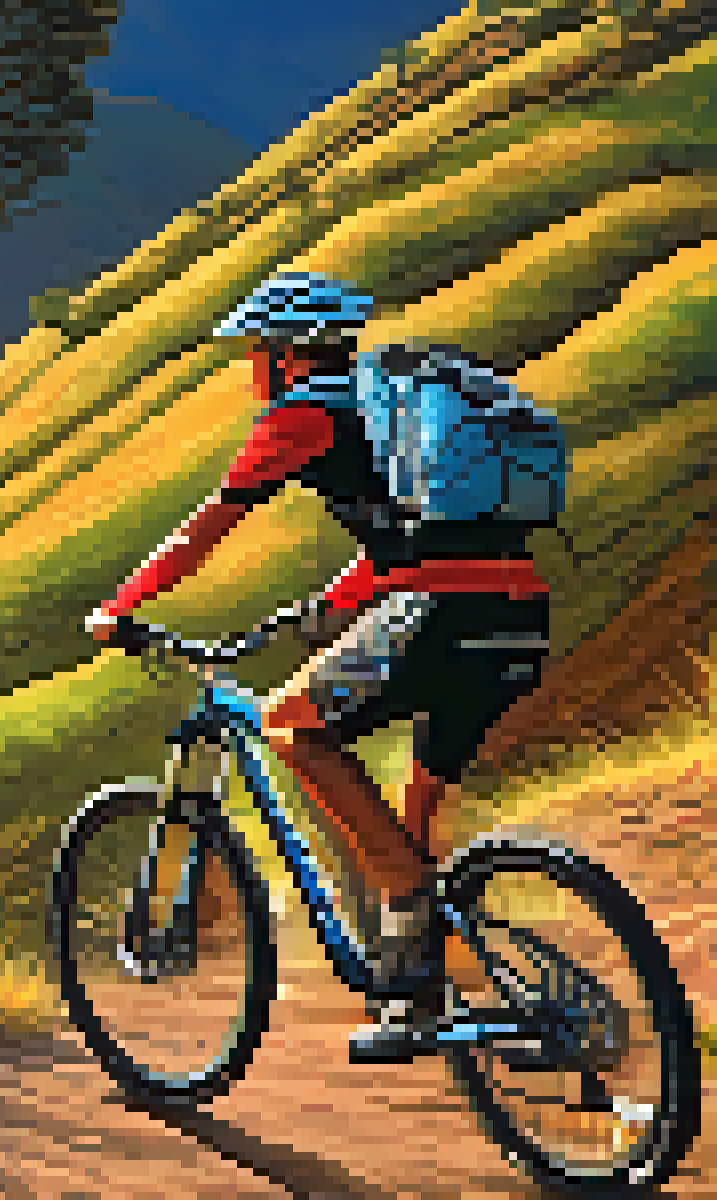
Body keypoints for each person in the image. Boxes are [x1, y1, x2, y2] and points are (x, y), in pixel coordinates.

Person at [83, 271, 553, 1063]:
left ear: (284, 355)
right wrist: (323, 608)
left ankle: (412, 964)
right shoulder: (390, 425)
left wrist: (119, 608)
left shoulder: (300, 419)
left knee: (292, 726)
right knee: (413, 815)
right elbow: (404, 548)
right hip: (517, 614)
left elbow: (203, 533)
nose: (251, 370)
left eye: (255, 354)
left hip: (439, 614)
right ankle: (458, 993)